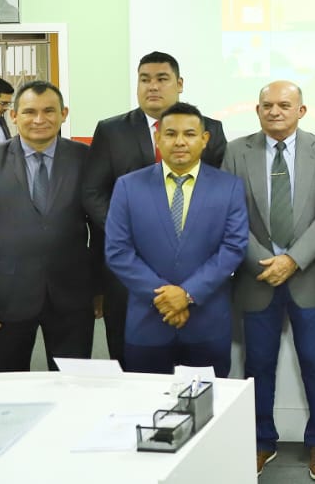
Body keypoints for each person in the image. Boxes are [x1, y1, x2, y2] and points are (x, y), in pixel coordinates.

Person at [82, 51, 227, 367]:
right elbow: (93, 192)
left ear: (179, 83)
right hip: (128, 267)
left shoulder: (210, 130)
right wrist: (130, 233)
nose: (152, 87)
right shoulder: (111, 130)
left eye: (162, 79)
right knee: (129, 359)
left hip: (191, 269)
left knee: (194, 362)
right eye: (145, 79)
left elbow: (217, 199)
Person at [223, 81, 315, 480]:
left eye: (284, 105)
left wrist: (293, 260)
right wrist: (263, 262)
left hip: (309, 276)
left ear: (301, 111)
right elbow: (229, 215)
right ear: (257, 110)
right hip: (257, 277)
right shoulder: (236, 151)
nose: (275, 111)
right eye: (267, 105)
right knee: (257, 365)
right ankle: (260, 440)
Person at [0, 81, 103, 370]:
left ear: (64, 114)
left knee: (72, 388)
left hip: (72, 297)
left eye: (49, 111)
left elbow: (100, 229)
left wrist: (99, 287)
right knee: (6, 391)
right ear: (14, 116)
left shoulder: (86, 159)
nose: (39, 119)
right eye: (30, 111)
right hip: (4, 301)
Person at [104, 102, 247, 376]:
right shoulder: (128, 186)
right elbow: (118, 251)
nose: (180, 141)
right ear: (158, 137)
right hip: (147, 323)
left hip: (207, 323)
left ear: (205, 139)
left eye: (190, 134)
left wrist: (187, 294)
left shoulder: (229, 187)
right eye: (170, 134)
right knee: (146, 410)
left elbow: (233, 247)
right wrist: (165, 297)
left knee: (209, 411)